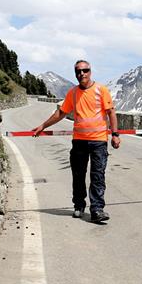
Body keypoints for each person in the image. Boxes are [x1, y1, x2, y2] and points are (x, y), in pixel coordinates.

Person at [31, 60, 120, 222]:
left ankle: (97, 209)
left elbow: (111, 113)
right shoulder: (73, 93)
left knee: (97, 176)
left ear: (90, 71)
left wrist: (115, 134)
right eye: (78, 71)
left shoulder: (101, 90)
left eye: (85, 70)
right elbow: (60, 113)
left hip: (98, 141)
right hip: (79, 141)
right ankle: (79, 206)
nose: (82, 74)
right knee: (78, 176)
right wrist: (43, 125)